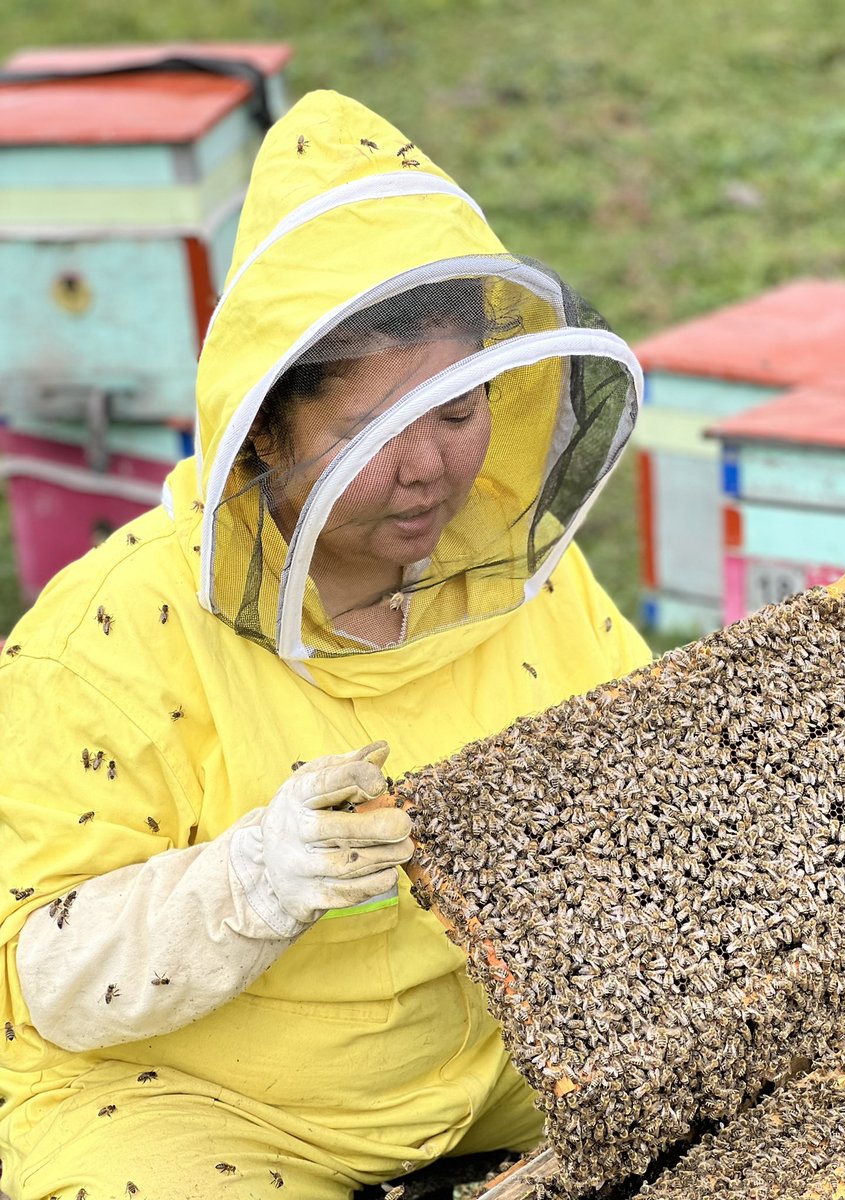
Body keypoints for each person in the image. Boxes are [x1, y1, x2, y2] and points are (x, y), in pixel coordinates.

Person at [0, 89, 651, 1198]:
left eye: (456, 412)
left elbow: (664, 769)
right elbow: (43, 971)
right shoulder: (109, 631)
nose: (428, 469)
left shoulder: (522, 568)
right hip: (210, 1105)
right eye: (369, 430)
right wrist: (247, 882)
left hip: (507, 1068)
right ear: (267, 430)